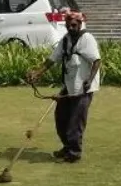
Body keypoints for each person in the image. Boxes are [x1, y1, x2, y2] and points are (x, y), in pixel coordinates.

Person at [24, 9, 101, 163]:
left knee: (75, 122)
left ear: (79, 24)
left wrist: (89, 80)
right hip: (69, 85)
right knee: (61, 118)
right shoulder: (65, 40)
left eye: (73, 25)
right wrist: (38, 73)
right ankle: (67, 147)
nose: (70, 28)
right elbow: (52, 59)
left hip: (83, 89)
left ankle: (74, 153)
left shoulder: (87, 39)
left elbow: (97, 61)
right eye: (68, 25)